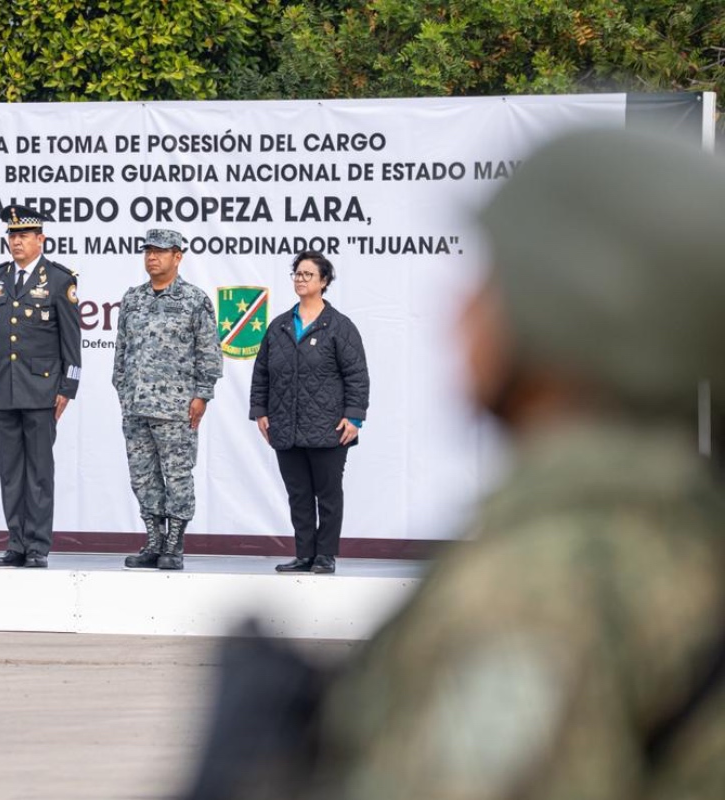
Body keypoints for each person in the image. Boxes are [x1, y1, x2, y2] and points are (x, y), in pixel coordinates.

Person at [186, 129, 725, 800]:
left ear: (574, 318)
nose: (464, 311)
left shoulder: (545, 578)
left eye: (497, 283)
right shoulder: (676, 527)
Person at [250, 251, 369, 575]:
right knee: (298, 494)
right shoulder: (279, 327)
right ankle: (304, 554)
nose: (300, 279)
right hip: (286, 427)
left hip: (329, 427)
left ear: (324, 281)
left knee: (328, 495)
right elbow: (262, 372)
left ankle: (325, 555)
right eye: (297, 274)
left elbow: (356, 375)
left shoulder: (340, 327)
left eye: (307, 274)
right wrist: (260, 410)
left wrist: (354, 416)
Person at [113, 228, 223, 570]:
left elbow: (209, 353)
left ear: (178, 256)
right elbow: (121, 351)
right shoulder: (132, 299)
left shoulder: (193, 299)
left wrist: (202, 395)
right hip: (135, 407)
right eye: (148, 251)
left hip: (176, 408)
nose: (152, 257)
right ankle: (153, 540)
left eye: (160, 251)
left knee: (176, 475)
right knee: (142, 476)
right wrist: (122, 388)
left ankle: (174, 543)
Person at [0, 204, 81, 568]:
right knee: (10, 471)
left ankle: (37, 545)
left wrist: (67, 388)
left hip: (41, 390)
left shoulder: (58, 280)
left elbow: (71, 341)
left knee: (38, 470)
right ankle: (16, 543)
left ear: (41, 239)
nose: (16, 241)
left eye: (23, 235)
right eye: (12, 235)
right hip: (4, 388)